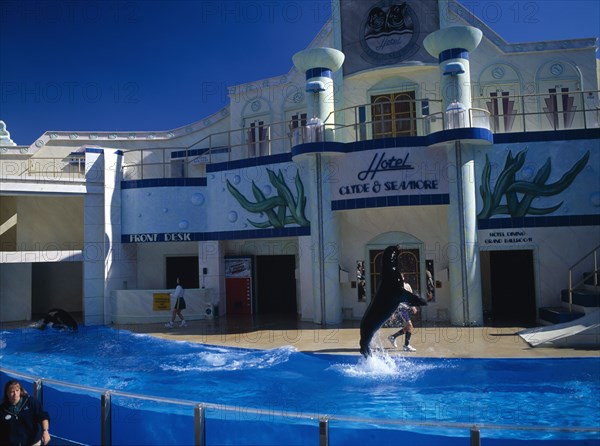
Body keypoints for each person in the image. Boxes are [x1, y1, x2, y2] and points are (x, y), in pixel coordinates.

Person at [0, 380, 51, 446]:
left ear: (20, 390)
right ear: (7, 393)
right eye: (12, 392)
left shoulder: (30, 402)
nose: (15, 394)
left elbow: (43, 416)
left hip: (33, 442)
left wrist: (45, 431)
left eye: (17, 390)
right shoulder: (2, 409)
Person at [387, 274, 417, 352]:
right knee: (410, 325)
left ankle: (393, 337)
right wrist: (392, 313)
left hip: (406, 308)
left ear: (403, 278)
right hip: (400, 309)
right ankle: (406, 345)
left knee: (408, 327)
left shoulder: (407, 286)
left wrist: (413, 306)